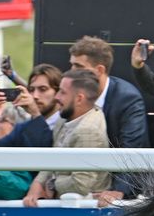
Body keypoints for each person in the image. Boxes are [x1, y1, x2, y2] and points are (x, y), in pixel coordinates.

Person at [68, 36, 149, 204]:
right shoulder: (71, 92)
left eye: (79, 66)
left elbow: (131, 149)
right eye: (72, 65)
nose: (71, 72)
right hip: (78, 188)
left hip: (120, 192)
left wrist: (118, 190)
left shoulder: (128, 99)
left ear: (99, 69)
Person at [23, 70, 112, 207]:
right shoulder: (64, 119)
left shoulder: (88, 130)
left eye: (62, 92)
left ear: (79, 99)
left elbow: (80, 185)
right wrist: (37, 184)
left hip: (82, 213)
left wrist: (50, 184)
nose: (57, 97)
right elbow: (52, 158)